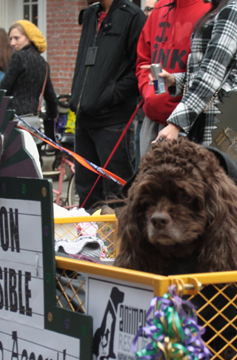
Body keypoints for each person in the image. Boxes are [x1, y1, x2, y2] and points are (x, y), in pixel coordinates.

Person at [70, 0, 145, 209]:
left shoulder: (133, 17)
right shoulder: (90, 15)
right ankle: (89, 241)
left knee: (118, 194)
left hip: (114, 121)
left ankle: (122, 242)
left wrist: (110, 95)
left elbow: (140, 68)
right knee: (85, 193)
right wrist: (78, 97)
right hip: (84, 118)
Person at [154, 0, 237, 147]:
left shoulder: (232, 10)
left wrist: (176, 123)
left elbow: (212, 74)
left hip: (217, 120)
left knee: (210, 168)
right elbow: (205, 70)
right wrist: (174, 80)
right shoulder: (219, 10)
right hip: (205, 116)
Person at [135, 0, 210, 158]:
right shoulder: (160, 7)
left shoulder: (209, 9)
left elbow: (209, 75)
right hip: (152, 120)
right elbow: (144, 58)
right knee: (147, 180)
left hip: (189, 124)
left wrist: (180, 118)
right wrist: (149, 92)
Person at [1, 21, 58, 120]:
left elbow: (4, 88)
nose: (12, 43)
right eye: (10, 39)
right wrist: (50, 115)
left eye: (17, 38)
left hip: (14, 119)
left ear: (29, 38)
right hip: (34, 120)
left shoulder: (18, 57)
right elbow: (50, 97)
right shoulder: (43, 63)